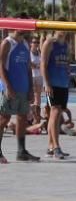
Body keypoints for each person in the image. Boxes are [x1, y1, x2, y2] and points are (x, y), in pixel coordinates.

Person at [0, 29, 40, 162]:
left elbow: (28, 68)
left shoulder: (25, 43)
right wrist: (8, 86)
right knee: (4, 119)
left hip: (23, 88)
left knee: (22, 118)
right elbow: (1, 66)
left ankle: (21, 151)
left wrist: (31, 89)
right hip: (10, 88)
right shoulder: (7, 43)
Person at [41, 30, 71, 159]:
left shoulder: (66, 45)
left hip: (63, 83)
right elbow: (43, 64)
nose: (63, 31)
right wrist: (47, 83)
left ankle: (50, 146)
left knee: (58, 114)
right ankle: (56, 147)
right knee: (54, 112)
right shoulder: (49, 43)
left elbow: (66, 63)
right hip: (53, 83)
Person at [29, 36, 43, 124]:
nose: (36, 44)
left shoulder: (39, 52)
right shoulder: (29, 53)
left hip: (39, 76)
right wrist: (37, 66)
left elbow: (42, 62)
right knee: (32, 96)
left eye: (37, 42)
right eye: (34, 42)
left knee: (38, 96)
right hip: (32, 76)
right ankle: (32, 114)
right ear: (31, 43)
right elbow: (29, 63)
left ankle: (37, 114)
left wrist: (39, 66)